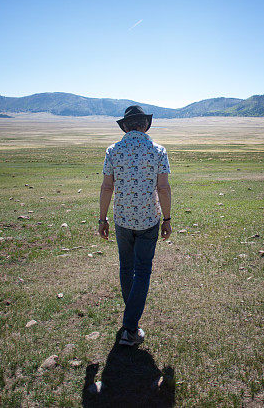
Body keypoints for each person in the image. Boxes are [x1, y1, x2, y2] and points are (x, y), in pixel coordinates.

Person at [98, 105, 172, 346]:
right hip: (149, 220)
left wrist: (102, 218)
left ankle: (131, 323)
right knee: (142, 271)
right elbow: (163, 188)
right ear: (144, 125)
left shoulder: (113, 150)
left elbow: (107, 187)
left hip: (122, 220)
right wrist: (168, 219)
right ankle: (130, 327)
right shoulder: (158, 151)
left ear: (126, 127)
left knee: (126, 267)